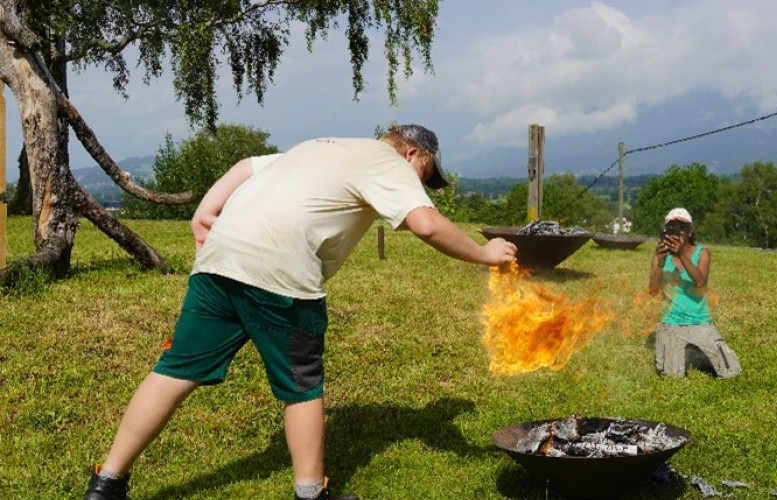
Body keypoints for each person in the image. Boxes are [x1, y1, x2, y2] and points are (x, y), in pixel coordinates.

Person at [82, 124, 518, 500]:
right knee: (302, 384)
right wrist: (486, 254)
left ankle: (107, 483)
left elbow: (246, 166)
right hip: (280, 269)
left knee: (175, 369)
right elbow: (426, 224)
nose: (421, 186)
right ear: (411, 154)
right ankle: (311, 492)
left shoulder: (322, 145)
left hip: (221, 257)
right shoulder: (389, 164)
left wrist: (206, 210)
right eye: (425, 175)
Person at [648, 208, 740, 379]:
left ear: (690, 231)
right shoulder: (660, 256)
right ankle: (686, 352)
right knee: (672, 376)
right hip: (671, 323)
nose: (677, 232)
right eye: (672, 228)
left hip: (700, 322)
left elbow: (700, 283)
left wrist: (682, 254)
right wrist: (660, 264)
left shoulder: (702, 253)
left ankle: (696, 351)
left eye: (682, 228)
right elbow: (653, 290)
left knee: (731, 372)